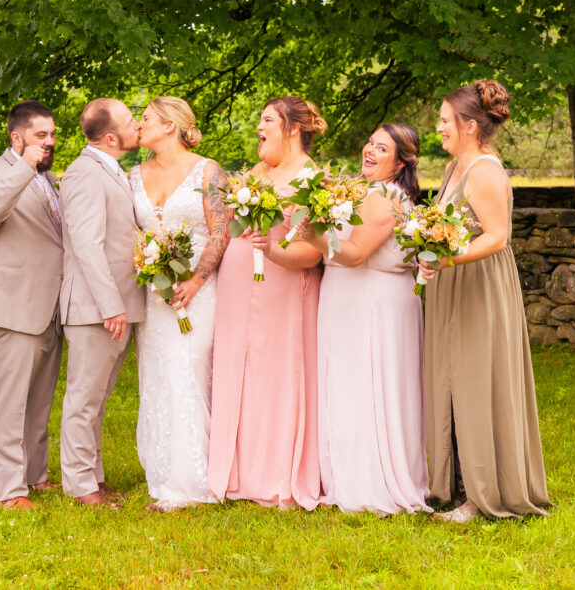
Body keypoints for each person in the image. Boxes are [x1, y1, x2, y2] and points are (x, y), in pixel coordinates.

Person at [419, 80, 551, 521]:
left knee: (477, 379)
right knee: (454, 377)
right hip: (454, 282)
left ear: (470, 126)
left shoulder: (484, 171)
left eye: (444, 120)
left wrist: (447, 258)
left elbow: (497, 237)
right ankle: (457, 485)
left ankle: (483, 495)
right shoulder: (457, 167)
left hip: (479, 286)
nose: (438, 128)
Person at [302, 124, 430, 515]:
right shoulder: (366, 191)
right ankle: (347, 475)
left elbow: (356, 252)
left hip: (371, 300)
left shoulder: (386, 196)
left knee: (367, 385)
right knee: (349, 384)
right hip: (350, 296)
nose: (369, 150)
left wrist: (310, 232)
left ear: (401, 161)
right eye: (370, 142)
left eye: (382, 147)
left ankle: (369, 482)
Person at [207, 96, 325, 510]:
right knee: (238, 370)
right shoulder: (258, 171)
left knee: (275, 374)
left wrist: (272, 253)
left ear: (293, 129)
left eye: (267, 120)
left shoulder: (312, 179)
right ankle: (235, 470)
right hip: (239, 286)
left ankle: (275, 474)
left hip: (282, 286)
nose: (259, 127)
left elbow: (313, 252)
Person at [129, 96, 229, 511]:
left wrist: (195, 279)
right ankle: (163, 472)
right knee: (156, 375)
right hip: (154, 296)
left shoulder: (208, 170)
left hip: (199, 294)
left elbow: (221, 230)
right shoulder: (133, 174)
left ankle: (193, 481)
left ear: (170, 125)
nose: (138, 125)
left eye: (146, 119)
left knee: (187, 373)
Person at [0, 101, 64, 511]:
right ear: (17, 138)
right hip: (10, 305)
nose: (49, 142)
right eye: (41, 135)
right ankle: (9, 490)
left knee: (39, 401)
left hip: (49, 305)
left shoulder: (51, 181)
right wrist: (24, 168)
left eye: (52, 134)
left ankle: (35, 476)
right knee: (7, 403)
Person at [58, 98, 146, 509]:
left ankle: (94, 476)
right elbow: (87, 246)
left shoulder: (113, 171)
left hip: (115, 305)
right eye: (131, 120)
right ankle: (79, 485)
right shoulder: (83, 174)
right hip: (96, 309)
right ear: (111, 137)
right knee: (84, 398)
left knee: (99, 399)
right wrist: (112, 306)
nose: (139, 124)